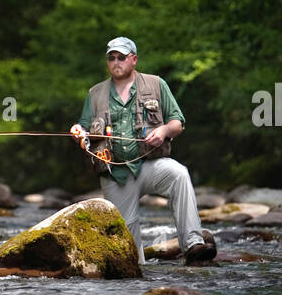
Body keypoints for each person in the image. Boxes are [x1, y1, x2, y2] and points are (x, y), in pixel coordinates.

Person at [69, 36, 216, 266]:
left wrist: (164, 131)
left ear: (134, 59)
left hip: (150, 165)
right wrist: (78, 130)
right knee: (131, 258)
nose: (116, 62)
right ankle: (139, 279)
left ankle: (193, 245)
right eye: (112, 58)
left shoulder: (156, 84)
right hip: (116, 175)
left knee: (179, 174)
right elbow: (83, 127)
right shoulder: (95, 93)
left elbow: (178, 122)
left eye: (121, 57)